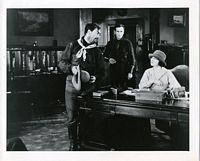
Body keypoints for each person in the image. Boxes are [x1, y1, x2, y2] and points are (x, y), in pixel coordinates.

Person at [58, 23, 105, 151]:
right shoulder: (73, 45)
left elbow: (102, 70)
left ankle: (84, 142)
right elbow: (61, 63)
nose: (99, 35)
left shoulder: (96, 50)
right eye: (98, 32)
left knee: (86, 116)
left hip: (88, 89)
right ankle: (73, 143)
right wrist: (71, 68)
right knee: (72, 117)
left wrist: (97, 77)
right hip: (71, 86)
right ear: (89, 31)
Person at [104, 24, 136, 90]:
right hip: (113, 70)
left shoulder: (128, 43)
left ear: (123, 32)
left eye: (121, 31)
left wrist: (130, 72)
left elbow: (132, 59)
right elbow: (104, 56)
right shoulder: (110, 43)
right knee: (113, 89)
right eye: (118, 31)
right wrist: (109, 60)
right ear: (115, 32)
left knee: (124, 90)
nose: (119, 33)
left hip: (124, 70)